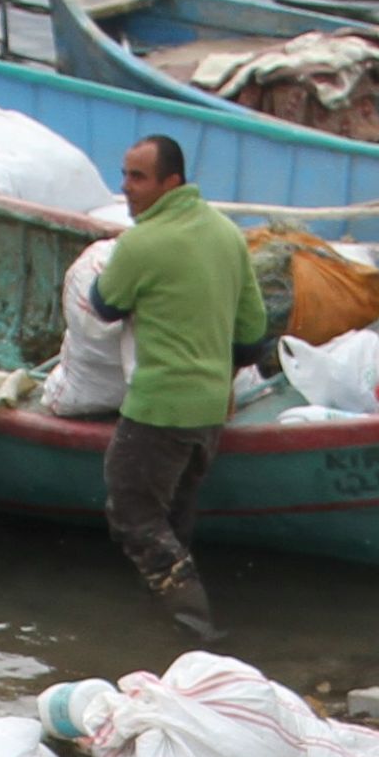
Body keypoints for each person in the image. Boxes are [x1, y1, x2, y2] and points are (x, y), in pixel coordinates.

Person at [84, 132, 270, 635]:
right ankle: (162, 634)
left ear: (171, 181)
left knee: (133, 514)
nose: (127, 187)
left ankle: (197, 627)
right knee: (174, 520)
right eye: (124, 174)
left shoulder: (141, 243)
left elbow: (103, 306)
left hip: (158, 409)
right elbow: (253, 335)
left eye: (138, 177)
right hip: (209, 412)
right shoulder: (227, 234)